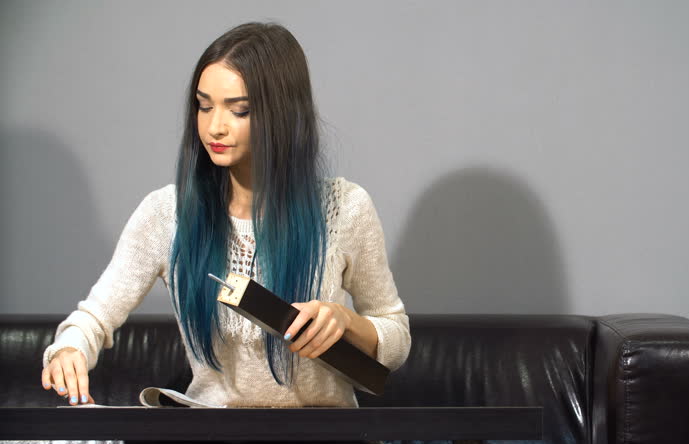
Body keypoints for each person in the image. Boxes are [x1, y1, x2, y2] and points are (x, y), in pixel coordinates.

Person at [40, 22, 411, 408]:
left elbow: (396, 339)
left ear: (282, 113)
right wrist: (70, 348)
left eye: (240, 110)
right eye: (203, 106)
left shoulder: (345, 208)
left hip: (321, 441)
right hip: (212, 441)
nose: (214, 126)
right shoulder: (167, 214)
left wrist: (345, 321)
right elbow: (94, 317)